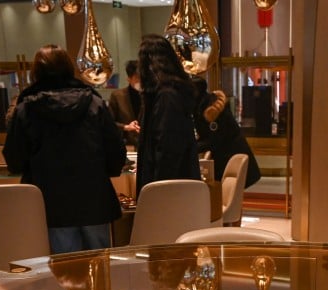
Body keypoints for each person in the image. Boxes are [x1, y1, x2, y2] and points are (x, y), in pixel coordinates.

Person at [3, 44, 127, 254]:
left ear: (36, 72)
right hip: (94, 199)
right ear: (70, 68)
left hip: (51, 203)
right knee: (102, 268)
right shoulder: (93, 103)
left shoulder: (27, 108)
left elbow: (14, 158)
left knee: (65, 272)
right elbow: (116, 152)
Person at [135, 34, 200, 196]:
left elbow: (167, 149)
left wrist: (156, 193)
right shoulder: (171, 93)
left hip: (167, 190)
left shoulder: (166, 97)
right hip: (177, 186)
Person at [191, 76, 262, 189]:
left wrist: (191, 147)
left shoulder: (211, 109)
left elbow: (213, 140)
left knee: (228, 195)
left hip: (231, 158)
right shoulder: (206, 103)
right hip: (230, 158)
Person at [108, 60, 142, 147]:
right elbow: (109, 122)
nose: (141, 81)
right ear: (129, 79)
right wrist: (126, 127)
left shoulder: (149, 96)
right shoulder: (117, 96)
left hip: (147, 145)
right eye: (137, 78)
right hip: (126, 145)